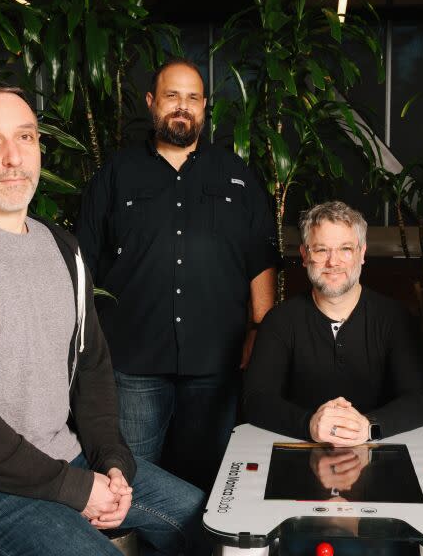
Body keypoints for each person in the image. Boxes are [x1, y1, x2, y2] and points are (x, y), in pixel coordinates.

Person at [0, 82, 206, 556]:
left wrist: (112, 462)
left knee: (207, 521)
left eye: (26, 137)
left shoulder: (62, 248)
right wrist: (77, 489)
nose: (14, 158)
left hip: (67, 459)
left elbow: (92, 369)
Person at [76, 58, 279, 492]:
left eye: (192, 98)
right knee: (131, 482)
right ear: (152, 103)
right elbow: (84, 265)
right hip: (133, 363)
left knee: (210, 486)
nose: (182, 107)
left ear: (205, 107)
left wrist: (259, 330)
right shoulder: (114, 175)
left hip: (215, 363)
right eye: (172, 96)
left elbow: (260, 258)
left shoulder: (237, 177)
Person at [242, 201, 423, 462]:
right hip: (296, 455)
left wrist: (367, 427)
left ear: (362, 253)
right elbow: (255, 399)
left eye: (345, 249)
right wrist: (309, 424)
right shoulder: (280, 321)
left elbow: (420, 400)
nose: (333, 262)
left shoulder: (394, 318)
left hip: (379, 455)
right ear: (305, 254)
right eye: (321, 250)